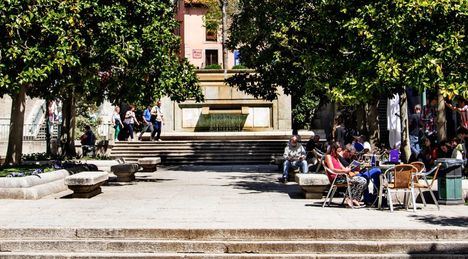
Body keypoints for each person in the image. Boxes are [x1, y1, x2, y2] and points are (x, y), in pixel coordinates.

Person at [324, 142, 367, 207]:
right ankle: (350, 198)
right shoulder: (328, 156)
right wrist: (344, 171)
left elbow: (342, 167)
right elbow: (332, 169)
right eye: (338, 151)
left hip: (342, 176)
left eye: (340, 151)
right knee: (362, 180)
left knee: (363, 180)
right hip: (336, 178)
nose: (339, 153)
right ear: (333, 149)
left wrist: (348, 168)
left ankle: (354, 199)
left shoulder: (336, 158)